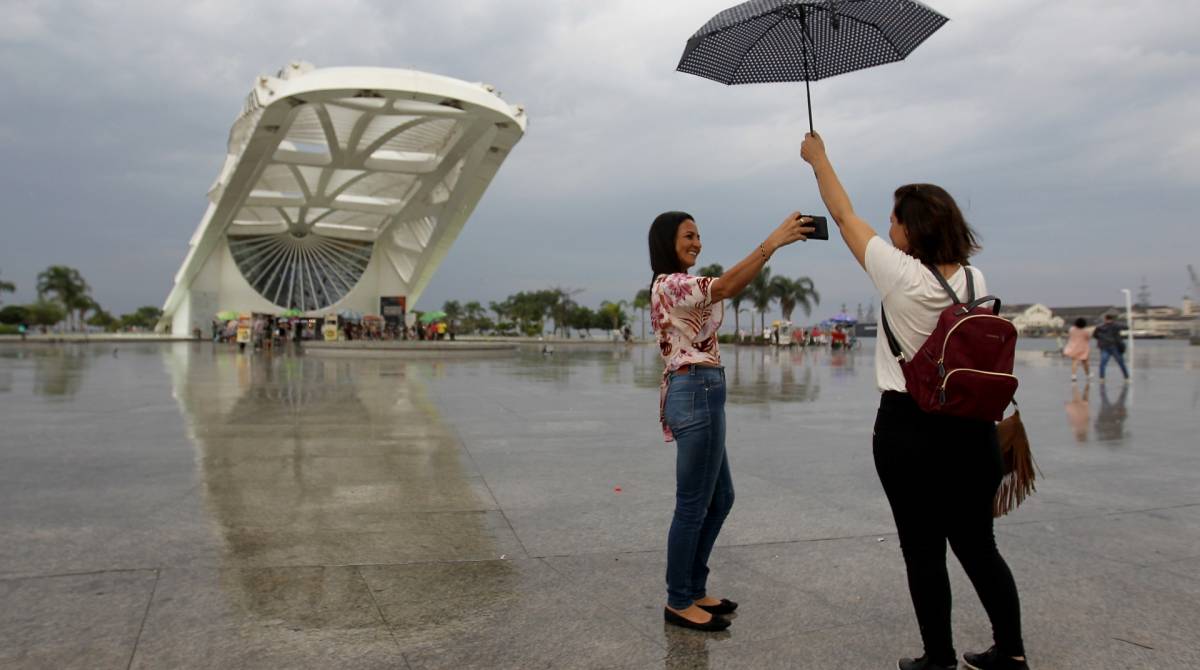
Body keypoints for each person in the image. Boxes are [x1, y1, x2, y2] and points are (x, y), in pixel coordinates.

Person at [802, 132, 1028, 670]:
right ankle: (1011, 652)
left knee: (923, 549)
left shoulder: (899, 274)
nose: (888, 228)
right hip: (973, 429)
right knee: (979, 546)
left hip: (911, 429)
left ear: (913, 228)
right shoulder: (976, 278)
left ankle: (939, 658)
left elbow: (841, 212)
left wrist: (818, 158)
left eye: (895, 220)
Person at [649, 209, 814, 632]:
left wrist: (767, 251)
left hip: (703, 390)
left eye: (699, 236)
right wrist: (773, 241)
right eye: (688, 236)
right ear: (667, 241)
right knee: (692, 504)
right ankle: (678, 599)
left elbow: (728, 285)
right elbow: (725, 284)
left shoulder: (683, 286)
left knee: (719, 499)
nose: (697, 243)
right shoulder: (670, 284)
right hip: (695, 391)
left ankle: (693, 586)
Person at [1092, 313, 1129, 383]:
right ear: (1112, 319)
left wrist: (1101, 339)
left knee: (1103, 363)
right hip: (1114, 346)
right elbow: (1126, 327)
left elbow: (1095, 335)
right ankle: (1126, 377)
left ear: (1105, 319)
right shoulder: (1116, 325)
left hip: (1104, 347)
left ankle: (1102, 378)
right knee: (1121, 362)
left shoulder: (1099, 327)